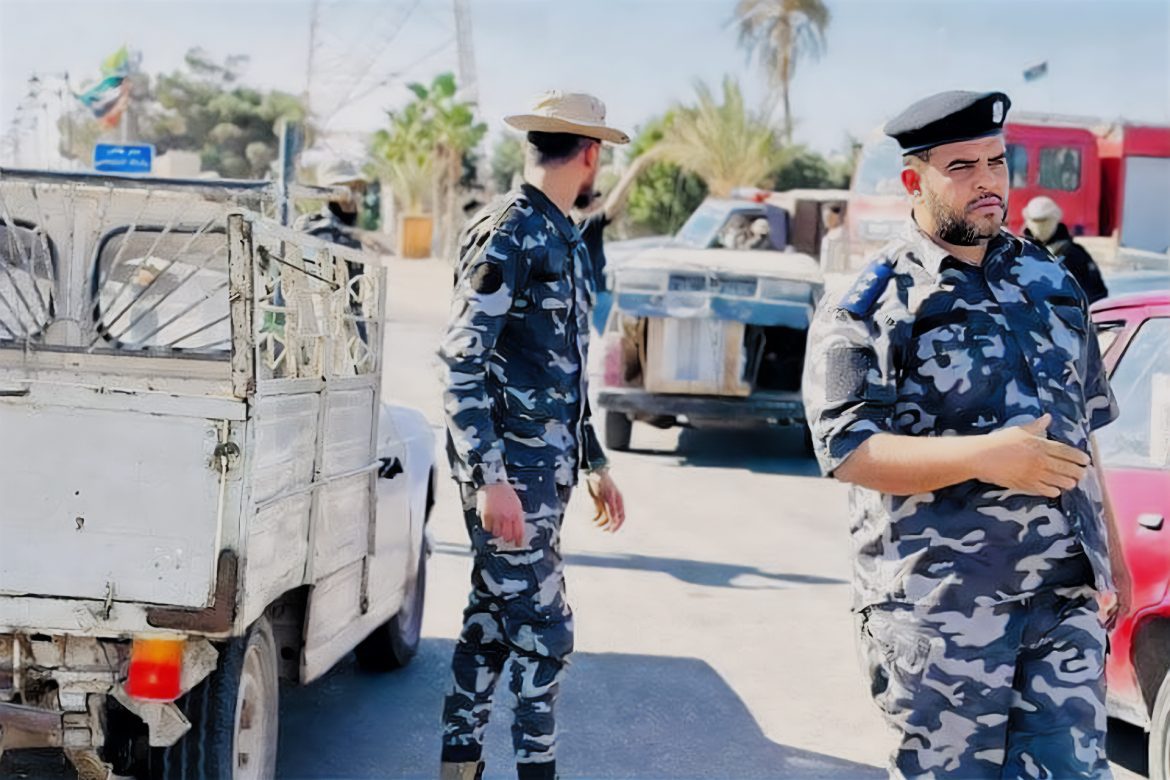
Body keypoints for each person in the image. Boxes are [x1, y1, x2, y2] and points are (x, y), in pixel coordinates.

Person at [802, 90, 1128, 778]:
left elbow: (1084, 431)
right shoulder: (872, 301)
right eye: (963, 166)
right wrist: (989, 458)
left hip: (1062, 602)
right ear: (915, 181)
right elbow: (849, 449)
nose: (988, 181)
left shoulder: (1052, 280)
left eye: (996, 161)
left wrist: (1115, 565)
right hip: (942, 613)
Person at [438, 90, 628, 780]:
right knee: (546, 635)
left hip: (538, 474)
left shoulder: (560, 233)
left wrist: (594, 459)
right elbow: (462, 359)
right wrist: (490, 477)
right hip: (509, 479)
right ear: (590, 153)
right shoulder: (512, 231)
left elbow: (559, 371)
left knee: (489, 627)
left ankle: (457, 769)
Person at [1023, 195, 1109, 304]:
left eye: (1045, 221)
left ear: (1055, 219)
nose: (1040, 227)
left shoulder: (1074, 255)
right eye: (1035, 221)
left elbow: (1097, 294)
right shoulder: (1020, 253)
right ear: (1028, 221)